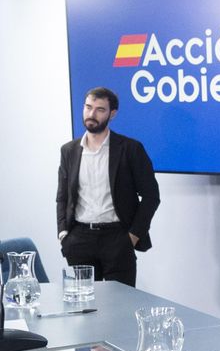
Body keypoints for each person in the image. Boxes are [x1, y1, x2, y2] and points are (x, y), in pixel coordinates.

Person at [57, 86, 160, 287]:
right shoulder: (69, 150)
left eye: (100, 109)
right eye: (88, 107)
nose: (91, 114)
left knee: (121, 310)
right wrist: (63, 234)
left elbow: (151, 196)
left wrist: (132, 236)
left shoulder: (130, 149)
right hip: (79, 239)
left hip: (117, 238)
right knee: (84, 310)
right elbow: (62, 196)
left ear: (112, 114)